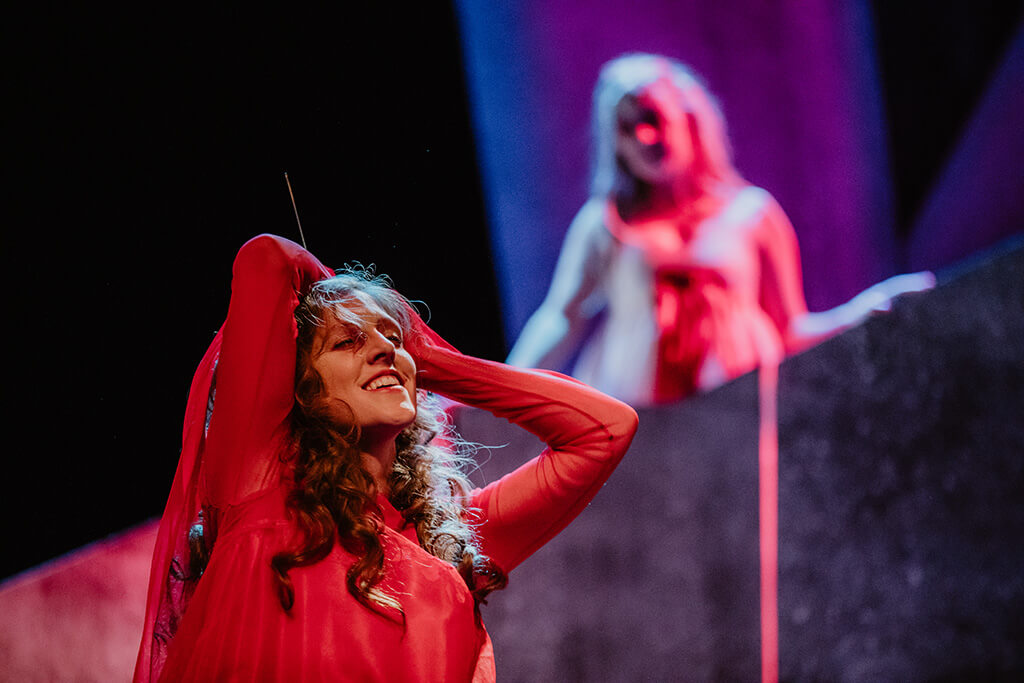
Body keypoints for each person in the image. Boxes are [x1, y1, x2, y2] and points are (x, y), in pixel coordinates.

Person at [133, 234, 638, 682]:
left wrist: (435, 361)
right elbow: (265, 258)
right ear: (298, 391)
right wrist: (345, 298)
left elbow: (604, 430)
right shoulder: (255, 484)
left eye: (394, 339)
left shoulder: (450, 541)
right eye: (347, 342)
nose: (384, 350)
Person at [506, 53, 934, 405]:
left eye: (654, 117)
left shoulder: (752, 214)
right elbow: (560, 319)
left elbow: (790, 329)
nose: (645, 137)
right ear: (614, 142)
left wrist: (863, 311)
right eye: (627, 127)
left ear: (687, 116)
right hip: (638, 426)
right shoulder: (606, 224)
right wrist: (492, 390)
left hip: (735, 418)